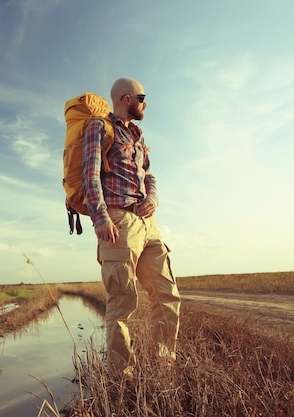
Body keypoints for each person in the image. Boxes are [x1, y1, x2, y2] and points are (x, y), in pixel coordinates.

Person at [82, 77, 181, 376]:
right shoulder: (99, 127)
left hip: (148, 224)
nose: (145, 102)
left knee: (167, 295)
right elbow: (90, 174)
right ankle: (121, 377)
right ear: (127, 99)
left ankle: (163, 366)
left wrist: (153, 196)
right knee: (123, 301)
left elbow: (149, 175)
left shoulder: (138, 137)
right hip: (119, 220)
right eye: (142, 97)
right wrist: (100, 217)